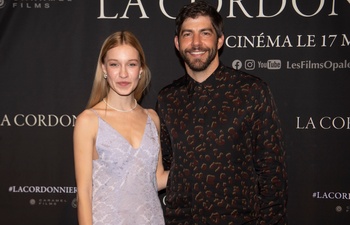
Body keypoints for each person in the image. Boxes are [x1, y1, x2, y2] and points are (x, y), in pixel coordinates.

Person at [156, 1, 288, 224]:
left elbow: (271, 173)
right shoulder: (167, 98)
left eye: (205, 33)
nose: (196, 43)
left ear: (219, 40)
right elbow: (166, 168)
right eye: (188, 34)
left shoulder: (252, 91)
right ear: (178, 43)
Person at [73, 31, 168, 225]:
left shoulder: (152, 118)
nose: (123, 73)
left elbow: (156, 179)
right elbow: (84, 193)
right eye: (114, 64)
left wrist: (194, 166)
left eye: (131, 64)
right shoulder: (89, 121)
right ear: (104, 68)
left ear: (141, 69)